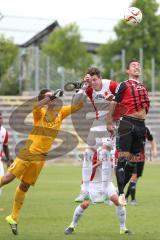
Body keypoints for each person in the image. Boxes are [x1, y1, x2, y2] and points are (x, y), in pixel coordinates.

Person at [0, 88, 83, 235]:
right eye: (48, 96)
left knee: (25, 186)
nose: (52, 97)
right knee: (8, 178)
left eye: (53, 95)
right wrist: (49, 98)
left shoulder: (60, 112)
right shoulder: (40, 112)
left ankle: (13, 217)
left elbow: (78, 106)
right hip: (29, 152)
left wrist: (81, 91)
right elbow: (35, 106)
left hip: (41, 158)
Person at [107, 59, 150, 206]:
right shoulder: (124, 85)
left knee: (133, 163)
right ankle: (120, 194)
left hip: (141, 125)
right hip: (127, 123)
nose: (137, 67)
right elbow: (114, 102)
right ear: (128, 70)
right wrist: (109, 121)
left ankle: (119, 192)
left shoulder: (142, 87)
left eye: (139, 65)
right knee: (123, 159)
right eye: (134, 66)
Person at [64, 144, 133, 235]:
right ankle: (72, 226)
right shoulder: (94, 152)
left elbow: (117, 168)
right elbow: (88, 168)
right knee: (85, 204)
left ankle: (123, 228)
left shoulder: (115, 153)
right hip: (93, 184)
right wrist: (99, 163)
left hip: (107, 183)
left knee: (118, 202)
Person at [73, 67, 118, 202]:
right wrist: (84, 85)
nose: (93, 83)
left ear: (100, 77)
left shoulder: (111, 85)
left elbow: (123, 100)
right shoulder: (89, 88)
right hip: (97, 123)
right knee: (87, 154)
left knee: (104, 155)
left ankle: (105, 191)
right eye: (90, 80)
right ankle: (84, 190)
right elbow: (76, 102)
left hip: (110, 124)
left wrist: (114, 98)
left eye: (95, 80)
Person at [125, 126, 157, 205]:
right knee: (134, 177)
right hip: (132, 156)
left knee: (136, 178)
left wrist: (154, 150)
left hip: (141, 158)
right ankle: (133, 200)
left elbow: (151, 140)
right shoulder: (131, 129)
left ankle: (125, 197)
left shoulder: (146, 129)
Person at [0, 112, 12, 211]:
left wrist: (8, 160)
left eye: (1, 118)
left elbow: (5, 146)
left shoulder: (4, 131)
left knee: (2, 182)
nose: (1, 120)